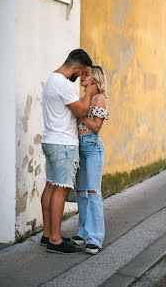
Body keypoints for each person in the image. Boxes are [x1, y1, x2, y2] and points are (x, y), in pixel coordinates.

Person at [40, 49, 98, 254]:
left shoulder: (51, 79)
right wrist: (90, 93)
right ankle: (55, 240)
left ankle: (47, 234)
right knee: (61, 189)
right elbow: (82, 111)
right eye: (81, 73)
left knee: (51, 185)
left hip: (50, 140)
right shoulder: (63, 84)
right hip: (63, 144)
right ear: (75, 68)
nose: (80, 77)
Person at [72, 66, 109, 254]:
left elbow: (96, 127)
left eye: (86, 75)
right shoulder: (83, 99)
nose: (82, 77)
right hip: (79, 147)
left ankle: (95, 238)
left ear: (95, 79)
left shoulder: (99, 98)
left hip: (93, 147)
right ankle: (83, 232)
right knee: (81, 191)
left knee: (93, 192)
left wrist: (81, 114)